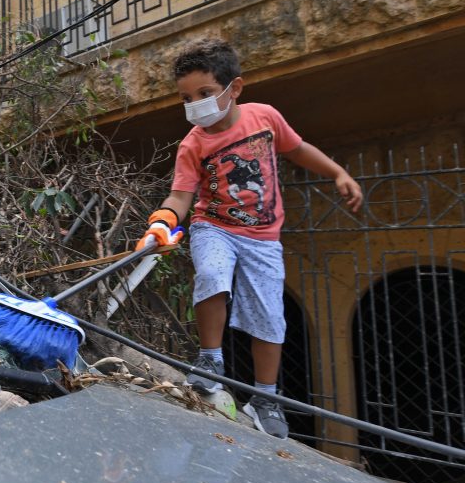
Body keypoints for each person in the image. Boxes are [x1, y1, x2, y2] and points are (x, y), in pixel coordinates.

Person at [139, 38, 362, 439]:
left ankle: (265, 398)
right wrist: (162, 221)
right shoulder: (193, 143)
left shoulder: (265, 117)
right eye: (186, 98)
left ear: (234, 88)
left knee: (269, 316)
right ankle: (210, 361)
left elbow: (298, 148)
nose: (195, 105)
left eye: (205, 94)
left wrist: (337, 173)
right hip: (215, 226)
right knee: (211, 273)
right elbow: (181, 195)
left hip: (263, 237)